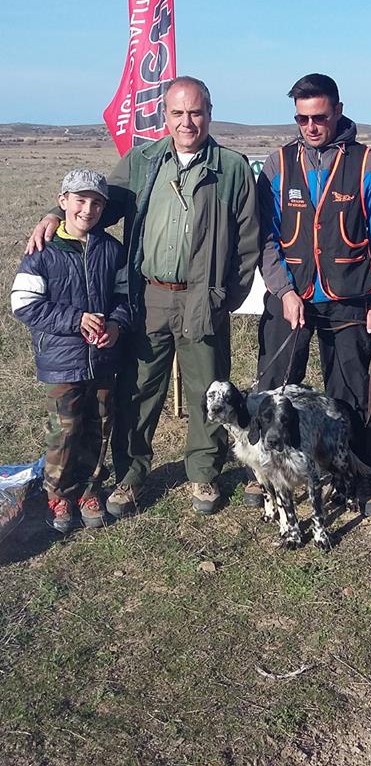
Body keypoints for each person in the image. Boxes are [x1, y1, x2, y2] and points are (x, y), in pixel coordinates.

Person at [26, 77, 259, 518]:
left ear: (209, 113)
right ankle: (131, 475)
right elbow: (98, 204)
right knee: (137, 389)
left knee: (208, 390)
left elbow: (248, 242)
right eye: (178, 113)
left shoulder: (231, 168)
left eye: (195, 112)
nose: (187, 122)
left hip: (203, 298)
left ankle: (204, 473)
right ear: (164, 115)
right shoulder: (142, 161)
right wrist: (56, 214)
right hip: (148, 296)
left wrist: (224, 297)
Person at [255, 73, 371, 516]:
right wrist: (283, 291)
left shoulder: (366, 163)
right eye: (302, 118)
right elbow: (266, 237)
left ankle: (357, 472)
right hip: (289, 294)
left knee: (349, 391)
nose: (311, 127)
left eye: (320, 117)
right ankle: (271, 469)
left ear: (338, 111)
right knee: (276, 387)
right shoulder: (278, 163)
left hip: (349, 295)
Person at [11, 169, 130, 533]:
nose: (87, 210)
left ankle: (90, 490)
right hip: (62, 361)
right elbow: (24, 303)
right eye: (80, 201)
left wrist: (116, 325)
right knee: (63, 430)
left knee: (99, 426)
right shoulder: (42, 251)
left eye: (96, 204)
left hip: (103, 359)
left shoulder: (112, 250)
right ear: (62, 202)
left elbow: (125, 297)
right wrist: (75, 320)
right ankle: (59, 494)